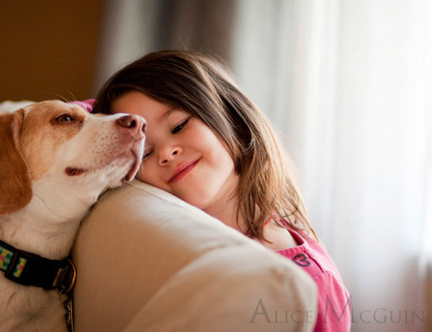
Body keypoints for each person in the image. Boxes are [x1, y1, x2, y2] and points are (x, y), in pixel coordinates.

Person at [91, 49, 351, 331]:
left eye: (179, 125)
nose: (166, 153)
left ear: (231, 116)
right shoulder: (169, 242)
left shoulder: (312, 284)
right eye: (145, 153)